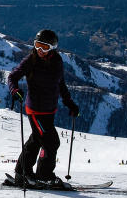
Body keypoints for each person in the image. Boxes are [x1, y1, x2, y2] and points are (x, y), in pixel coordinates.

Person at [6, 29, 79, 189]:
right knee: (51, 143)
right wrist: (14, 90)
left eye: (44, 47)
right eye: (37, 45)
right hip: (36, 110)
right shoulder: (31, 60)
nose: (39, 50)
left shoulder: (57, 62)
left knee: (36, 141)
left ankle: (22, 173)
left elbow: (61, 84)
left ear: (52, 48)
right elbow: (12, 77)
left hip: (49, 110)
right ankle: (44, 176)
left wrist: (70, 103)